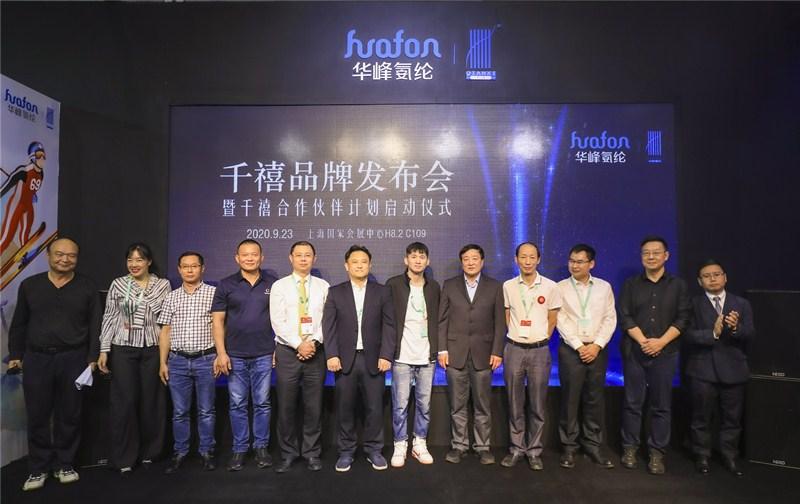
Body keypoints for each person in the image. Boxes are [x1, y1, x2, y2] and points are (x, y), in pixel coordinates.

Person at [7, 237, 101, 491]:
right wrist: (15, 354)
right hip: (37, 359)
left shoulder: (87, 287)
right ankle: (38, 468)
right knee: (37, 415)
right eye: (59, 254)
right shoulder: (30, 285)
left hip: (74, 358)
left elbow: (96, 325)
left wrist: (92, 358)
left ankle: (64, 464)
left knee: (69, 414)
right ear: (48, 256)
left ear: (77, 258)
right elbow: (19, 323)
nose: (65, 259)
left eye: (71, 255)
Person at [97, 242, 171, 474]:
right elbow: (109, 317)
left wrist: (143, 293)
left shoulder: (162, 284)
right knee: (124, 402)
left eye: (139, 260)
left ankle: (151, 452)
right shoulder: (118, 284)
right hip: (123, 347)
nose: (134, 264)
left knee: (152, 401)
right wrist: (104, 349)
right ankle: (125, 457)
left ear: (149, 262)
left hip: (152, 347)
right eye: (130, 260)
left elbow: (165, 317)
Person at [618, 236, 690, 475]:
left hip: (665, 352)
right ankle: (629, 448)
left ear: (666, 256)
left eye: (656, 252)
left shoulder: (678, 285)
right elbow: (625, 316)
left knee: (661, 405)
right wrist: (643, 341)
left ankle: (657, 453)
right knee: (632, 403)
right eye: (646, 253)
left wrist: (660, 342)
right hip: (635, 351)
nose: (651, 257)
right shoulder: (631, 284)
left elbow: (683, 318)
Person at [323, 245, 396, 472]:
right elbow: (329, 327)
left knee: (375, 408)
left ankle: (374, 450)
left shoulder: (382, 292)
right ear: (347, 266)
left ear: (370, 265)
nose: (359, 265)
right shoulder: (335, 292)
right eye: (354, 262)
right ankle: (346, 451)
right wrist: (331, 354)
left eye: (364, 262)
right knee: (345, 408)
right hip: (345, 360)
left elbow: (390, 326)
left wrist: (386, 355)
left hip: (374, 360)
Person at [211, 239, 277, 471]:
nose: (250, 258)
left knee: (262, 403)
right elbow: (217, 322)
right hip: (234, 354)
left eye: (254, 254)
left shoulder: (273, 284)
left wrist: (277, 349)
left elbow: (280, 319)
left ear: (261, 257)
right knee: (238, 403)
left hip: (264, 353)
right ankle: (239, 449)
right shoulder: (226, 284)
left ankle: (261, 448)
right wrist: (221, 353)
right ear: (237, 258)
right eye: (245, 255)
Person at [685, 260, 754, 477]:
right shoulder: (692, 304)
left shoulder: (741, 303)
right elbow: (687, 334)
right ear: (700, 281)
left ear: (725, 277)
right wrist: (713, 333)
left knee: (732, 418)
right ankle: (702, 455)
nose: (712, 279)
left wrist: (735, 328)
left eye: (716, 274)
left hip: (734, 369)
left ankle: (729, 455)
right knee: (701, 417)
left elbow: (750, 333)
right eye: (707, 276)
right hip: (702, 369)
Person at [438, 244, 505, 465]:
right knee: (457, 406)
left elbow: (500, 323)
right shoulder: (450, 285)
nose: (470, 262)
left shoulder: (495, 287)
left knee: (482, 405)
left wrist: (497, 351)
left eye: (474, 258)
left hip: (484, 355)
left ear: (482, 262)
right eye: (466, 259)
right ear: (461, 262)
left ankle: (483, 447)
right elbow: (442, 320)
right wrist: (442, 349)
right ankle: (459, 445)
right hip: (455, 354)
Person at [500, 242, 561, 470]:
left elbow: (553, 318)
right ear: (516, 259)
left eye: (532, 257)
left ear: (538, 259)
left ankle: (534, 451)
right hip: (514, 349)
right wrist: (518, 335)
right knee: (515, 403)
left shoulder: (551, 286)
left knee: (537, 403)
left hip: (539, 350)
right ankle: (516, 449)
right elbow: (507, 314)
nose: (527, 261)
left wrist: (540, 338)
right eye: (523, 257)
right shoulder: (508, 286)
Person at [269, 241, 329, 473]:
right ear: (290, 258)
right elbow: (277, 321)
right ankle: (288, 453)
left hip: (316, 351)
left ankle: (312, 453)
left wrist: (313, 342)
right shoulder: (279, 286)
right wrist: (298, 344)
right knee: (286, 405)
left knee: (314, 406)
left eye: (308, 255)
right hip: (287, 352)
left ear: (314, 258)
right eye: (299, 255)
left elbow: (328, 320)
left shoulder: (323, 286)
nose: (303, 259)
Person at [556, 244, 617, 470]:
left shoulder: (603, 287)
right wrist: (579, 345)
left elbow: (610, 318)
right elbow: (560, 319)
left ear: (592, 264)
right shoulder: (560, 287)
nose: (574, 265)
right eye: (572, 261)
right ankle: (569, 447)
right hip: (571, 350)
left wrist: (597, 344)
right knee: (570, 399)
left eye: (580, 261)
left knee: (594, 399)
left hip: (597, 350)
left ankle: (593, 445)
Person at [157, 251, 217, 474]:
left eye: (194, 266)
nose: (190, 270)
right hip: (177, 361)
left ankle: (207, 451)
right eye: (185, 266)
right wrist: (163, 362)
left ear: (203, 268)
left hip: (206, 359)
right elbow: (165, 331)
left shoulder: (213, 294)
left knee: (206, 410)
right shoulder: (171, 297)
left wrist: (220, 355)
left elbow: (220, 327)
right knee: (180, 411)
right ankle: (180, 452)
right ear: (179, 269)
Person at [386, 242, 440, 467]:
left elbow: (439, 321)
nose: (418, 260)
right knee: (400, 405)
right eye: (414, 256)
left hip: (427, 356)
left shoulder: (434, 287)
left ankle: (419, 443)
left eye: (422, 256)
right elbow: (387, 321)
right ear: (406, 260)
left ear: (428, 261)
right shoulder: (393, 285)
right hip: (402, 356)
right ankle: (400, 444)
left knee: (424, 405)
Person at [1, 142, 45, 254]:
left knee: (25, 233)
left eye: (44, 155)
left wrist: (33, 194)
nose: (42, 158)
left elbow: (32, 188)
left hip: (28, 206)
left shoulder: (41, 174)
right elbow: (8, 184)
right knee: (7, 238)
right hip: (17, 205)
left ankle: (24, 255)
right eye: (39, 155)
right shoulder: (24, 170)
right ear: (32, 156)